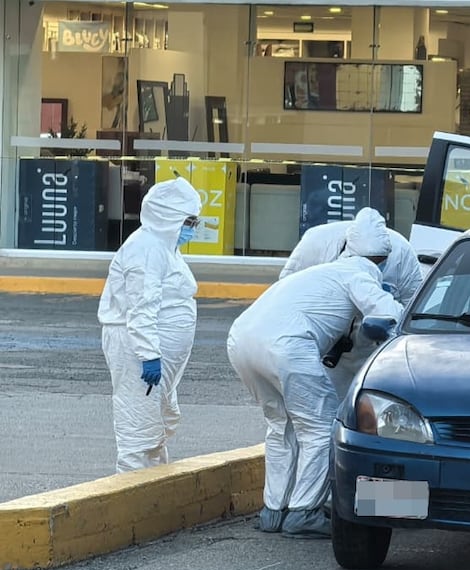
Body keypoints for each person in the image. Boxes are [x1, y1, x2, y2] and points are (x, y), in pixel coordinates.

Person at [228, 213, 404, 538]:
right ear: (381, 258)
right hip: (286, 347)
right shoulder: (362, 273)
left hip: (241, 339)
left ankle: (273, 511)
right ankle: (305, 513)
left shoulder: (323, 270)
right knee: (319, 427)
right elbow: (389, 315)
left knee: (280, 426)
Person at [98, 177, 203, 473]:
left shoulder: (164, 246)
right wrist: (149, 355)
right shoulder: (146, 249)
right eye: (189, 220)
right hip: (140, 354)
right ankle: (130, 499)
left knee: (155, 425)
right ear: (169, 217)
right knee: (137, 429)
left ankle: (153, 493)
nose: (193, 227)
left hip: (155, 353)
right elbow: (141, 308)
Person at [279, 207, 423, 304]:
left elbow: (413, 303)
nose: (371, 268)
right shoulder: (315, 243)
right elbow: (285, 290)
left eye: (379, 262)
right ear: (347, 249)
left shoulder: (403, 253)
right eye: (367, 261)